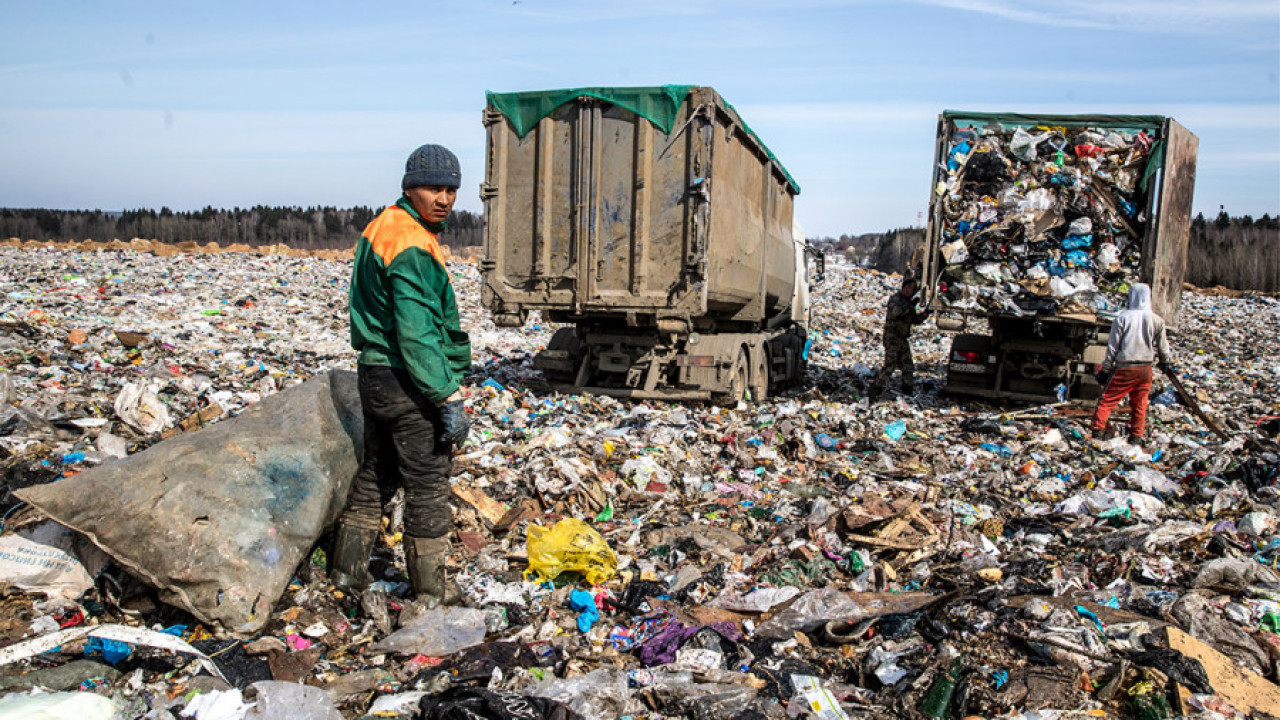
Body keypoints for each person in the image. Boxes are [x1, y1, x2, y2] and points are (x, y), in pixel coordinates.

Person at [330, 144, 472, 608]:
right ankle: (431, 590)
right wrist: (447, 395)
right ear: (409, 186)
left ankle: (346, 574)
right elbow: (416, 333)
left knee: (376, 473)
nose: (445, 198)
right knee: (428, 483)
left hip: (373, 373)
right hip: (406, 377)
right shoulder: (410, 241)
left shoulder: (383, 226)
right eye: (434, 188)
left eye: (451, 189)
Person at [1090, 283, 1175, 445]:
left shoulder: (1122, 318)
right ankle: (1136, 437)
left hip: (1125, 367)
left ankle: (1097, 433)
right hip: (1145, 369)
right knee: (1140, 404)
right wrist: (1166, 361)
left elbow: (1112, 346)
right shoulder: (1157, 320)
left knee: (1106, 401)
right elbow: (1163, 346)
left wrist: (1106, 368)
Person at [874, 275, 929, 395]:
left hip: (902, 339)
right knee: (890, 366)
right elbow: (897, 312)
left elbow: (914, 320)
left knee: (907, 366)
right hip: (892, 338)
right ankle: (876, 388)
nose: (910, 290)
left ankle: (907, 389)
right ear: (903, 287)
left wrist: (925, 314)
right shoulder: (895, 299)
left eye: (913, 289)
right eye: (908, 287)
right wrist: (911, 305)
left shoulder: (908, 303)